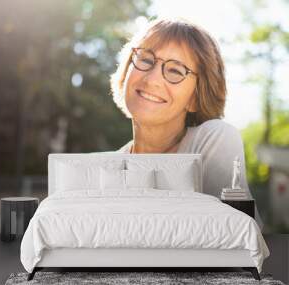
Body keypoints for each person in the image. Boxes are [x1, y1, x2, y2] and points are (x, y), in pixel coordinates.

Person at [109, 18, 263, 230]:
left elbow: (230, 234)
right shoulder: (105, 168)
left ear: (195, 98)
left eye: (175, 71)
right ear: (127, 72)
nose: (152, 79)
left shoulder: (214, 138)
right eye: (145, 60)